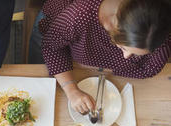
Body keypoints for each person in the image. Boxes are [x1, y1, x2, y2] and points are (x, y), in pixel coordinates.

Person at [36, 0, 171, 115]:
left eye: (134, 53)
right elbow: (51, 46)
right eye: (124, 48)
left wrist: (108, 70)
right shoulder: (80, 15)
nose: (126, 57)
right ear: (114, 26)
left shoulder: (157, 29)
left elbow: (149, 69)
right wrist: (71, 90)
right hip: (58, 26)